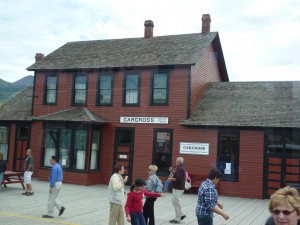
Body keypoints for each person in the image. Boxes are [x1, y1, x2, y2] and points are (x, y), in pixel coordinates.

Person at [168, 157, 186, 224]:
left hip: (178, 188)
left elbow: (178, 179)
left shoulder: (180, 169)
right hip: (178, 188)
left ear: (178, 162)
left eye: (176, 161)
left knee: (176, 202)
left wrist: (170, 178)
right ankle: (181, 215)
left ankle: (177, 218)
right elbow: (177, 176)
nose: (175, 162)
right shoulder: (180, 168)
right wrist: (172, 171)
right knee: (174, 201)